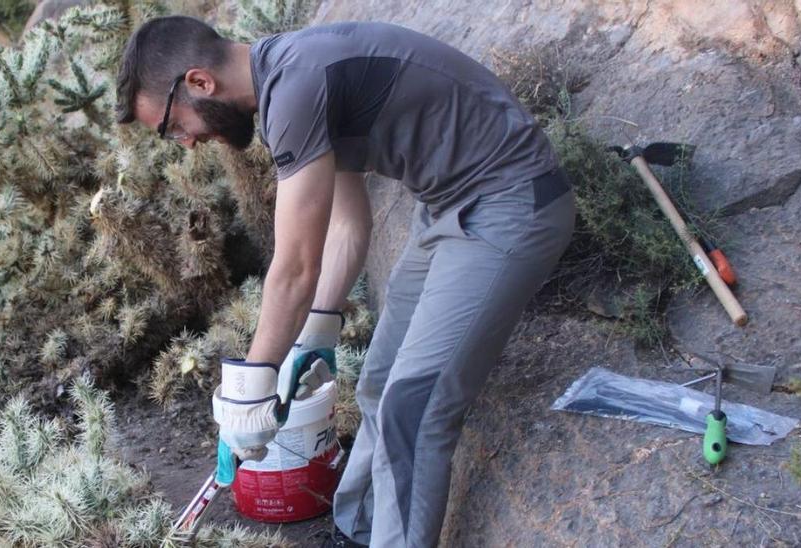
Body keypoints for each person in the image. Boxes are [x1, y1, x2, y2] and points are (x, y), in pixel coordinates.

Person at [116, 18, 575, 547]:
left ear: (199, 82)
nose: (187, 143)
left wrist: (252, 389)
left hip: (510, 204)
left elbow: (294, 267)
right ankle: (357, 531)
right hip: (449, 209)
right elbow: (347, 223)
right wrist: (315, 335)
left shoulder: (297, 84)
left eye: (173, 128)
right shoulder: (286, 82)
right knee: (380, 381)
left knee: (415, 408)